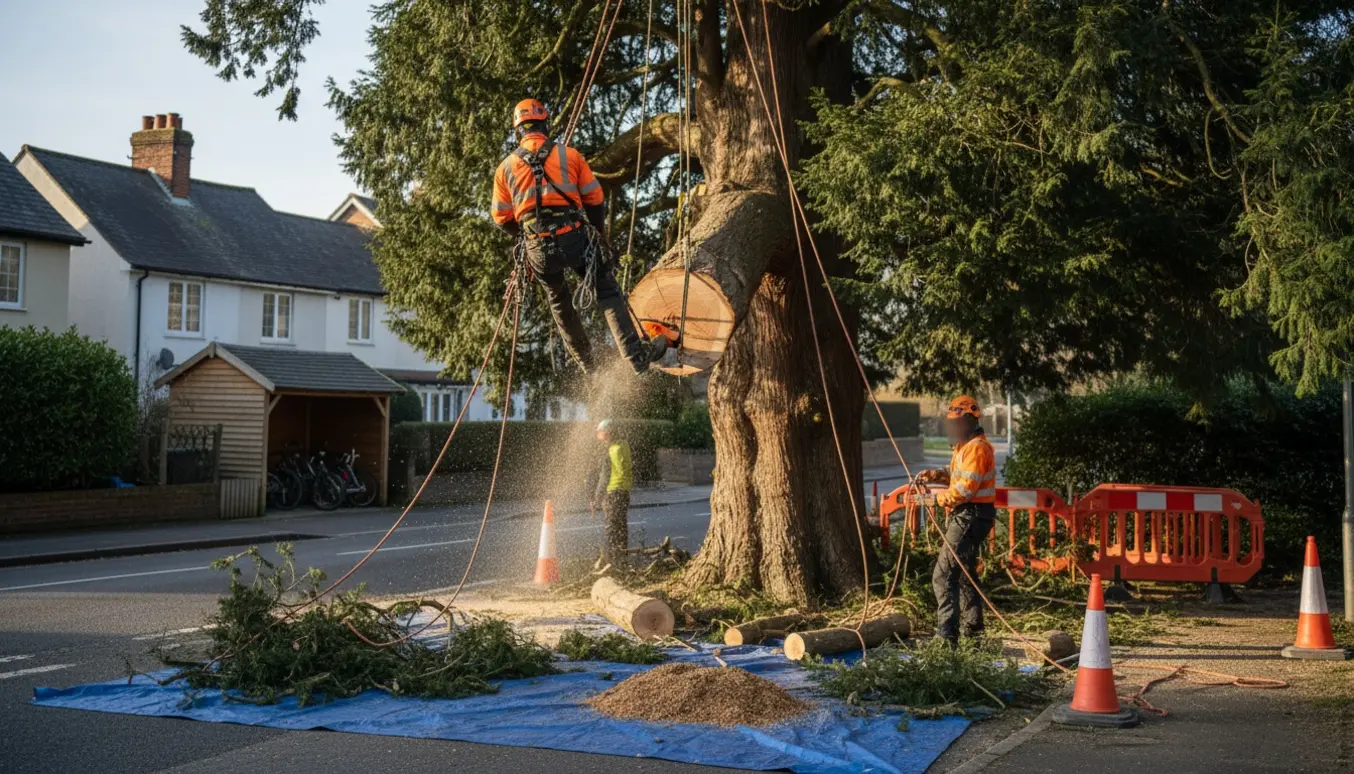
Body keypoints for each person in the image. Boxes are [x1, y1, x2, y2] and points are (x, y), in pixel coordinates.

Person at [491, 98, 668, 374]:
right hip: (573, 236)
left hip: (538, 248)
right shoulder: (569, 155)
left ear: (518, 131)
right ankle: (636, 357)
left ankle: (589, 366)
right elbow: (595, 199)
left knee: (559, 302)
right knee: (607, 290)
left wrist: (527, 237)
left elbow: (501, 218)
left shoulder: (505, 169)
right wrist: (598, 233)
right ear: (545, 124)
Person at [915, 395, 997, 646]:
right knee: (963, 573)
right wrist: (938, 475)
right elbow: (957, 475)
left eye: (957, 422)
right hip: (971, 515)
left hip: (971, 515)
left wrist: (940, 500)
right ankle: (973, 632)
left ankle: (946, 636)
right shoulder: (964, 447)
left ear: (971, 420)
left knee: (943, 574)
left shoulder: (977, 448)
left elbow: (965, 490)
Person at [590, 419, 633, 561]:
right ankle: (623, 557)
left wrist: (596, 500)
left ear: (607, 433)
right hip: (624, 492)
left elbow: (604, 478)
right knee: (622, 527)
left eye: (600, 432)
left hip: (612, 493)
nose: (598, 435)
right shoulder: (624, 445)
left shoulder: (609, 451)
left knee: (611, 529)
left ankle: (611, 561)